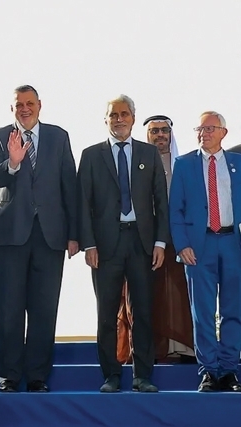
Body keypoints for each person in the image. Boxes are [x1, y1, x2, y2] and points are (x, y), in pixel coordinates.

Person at [0, 85, 78, 393]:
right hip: (10, 235)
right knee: (9, 309)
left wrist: (74, 234)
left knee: (44, 309)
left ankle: (37, 375)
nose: (24, 108)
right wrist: (12, 162)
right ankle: (8, 375)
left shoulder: (58, 136)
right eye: (18, 105)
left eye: (29, 103)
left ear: (40, 105)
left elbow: (69, 185)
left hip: (50, 235)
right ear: (11, 109)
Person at [77, 95, 168, 393]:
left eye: (124, 113)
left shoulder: (148, 153)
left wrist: (160, 242)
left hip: (141, 243)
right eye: (113, 114)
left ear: (132, 117)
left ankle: (142, 375)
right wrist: (88, 244)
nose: (119, 119)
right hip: (105, 246)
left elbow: (160, 202)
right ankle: (111, 375)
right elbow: (83, 204)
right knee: (106, 313)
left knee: (142, 310)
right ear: (106, 119)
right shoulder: (91, 155)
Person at [169, 111, 241, 392]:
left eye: (211, 128)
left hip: (232, 243)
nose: (205, 133)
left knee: (234, 310)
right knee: (203, 312)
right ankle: (209, 371)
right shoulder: (184, 164)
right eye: (201, 128)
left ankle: (230, 370)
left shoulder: (237, 164)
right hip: (199, 246)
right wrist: (182, 245)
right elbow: (176, 209)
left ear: (224, 132)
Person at [117, 115, 194, 364]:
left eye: (164, 130)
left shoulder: (183, 164)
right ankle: (144, 350)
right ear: (146, 135)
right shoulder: (135, 161)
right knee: (141, 297)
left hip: (178, 241)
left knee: (177, 296)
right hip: (141, 241)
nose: (160, 135)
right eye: (154, 131)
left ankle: (180, 349)